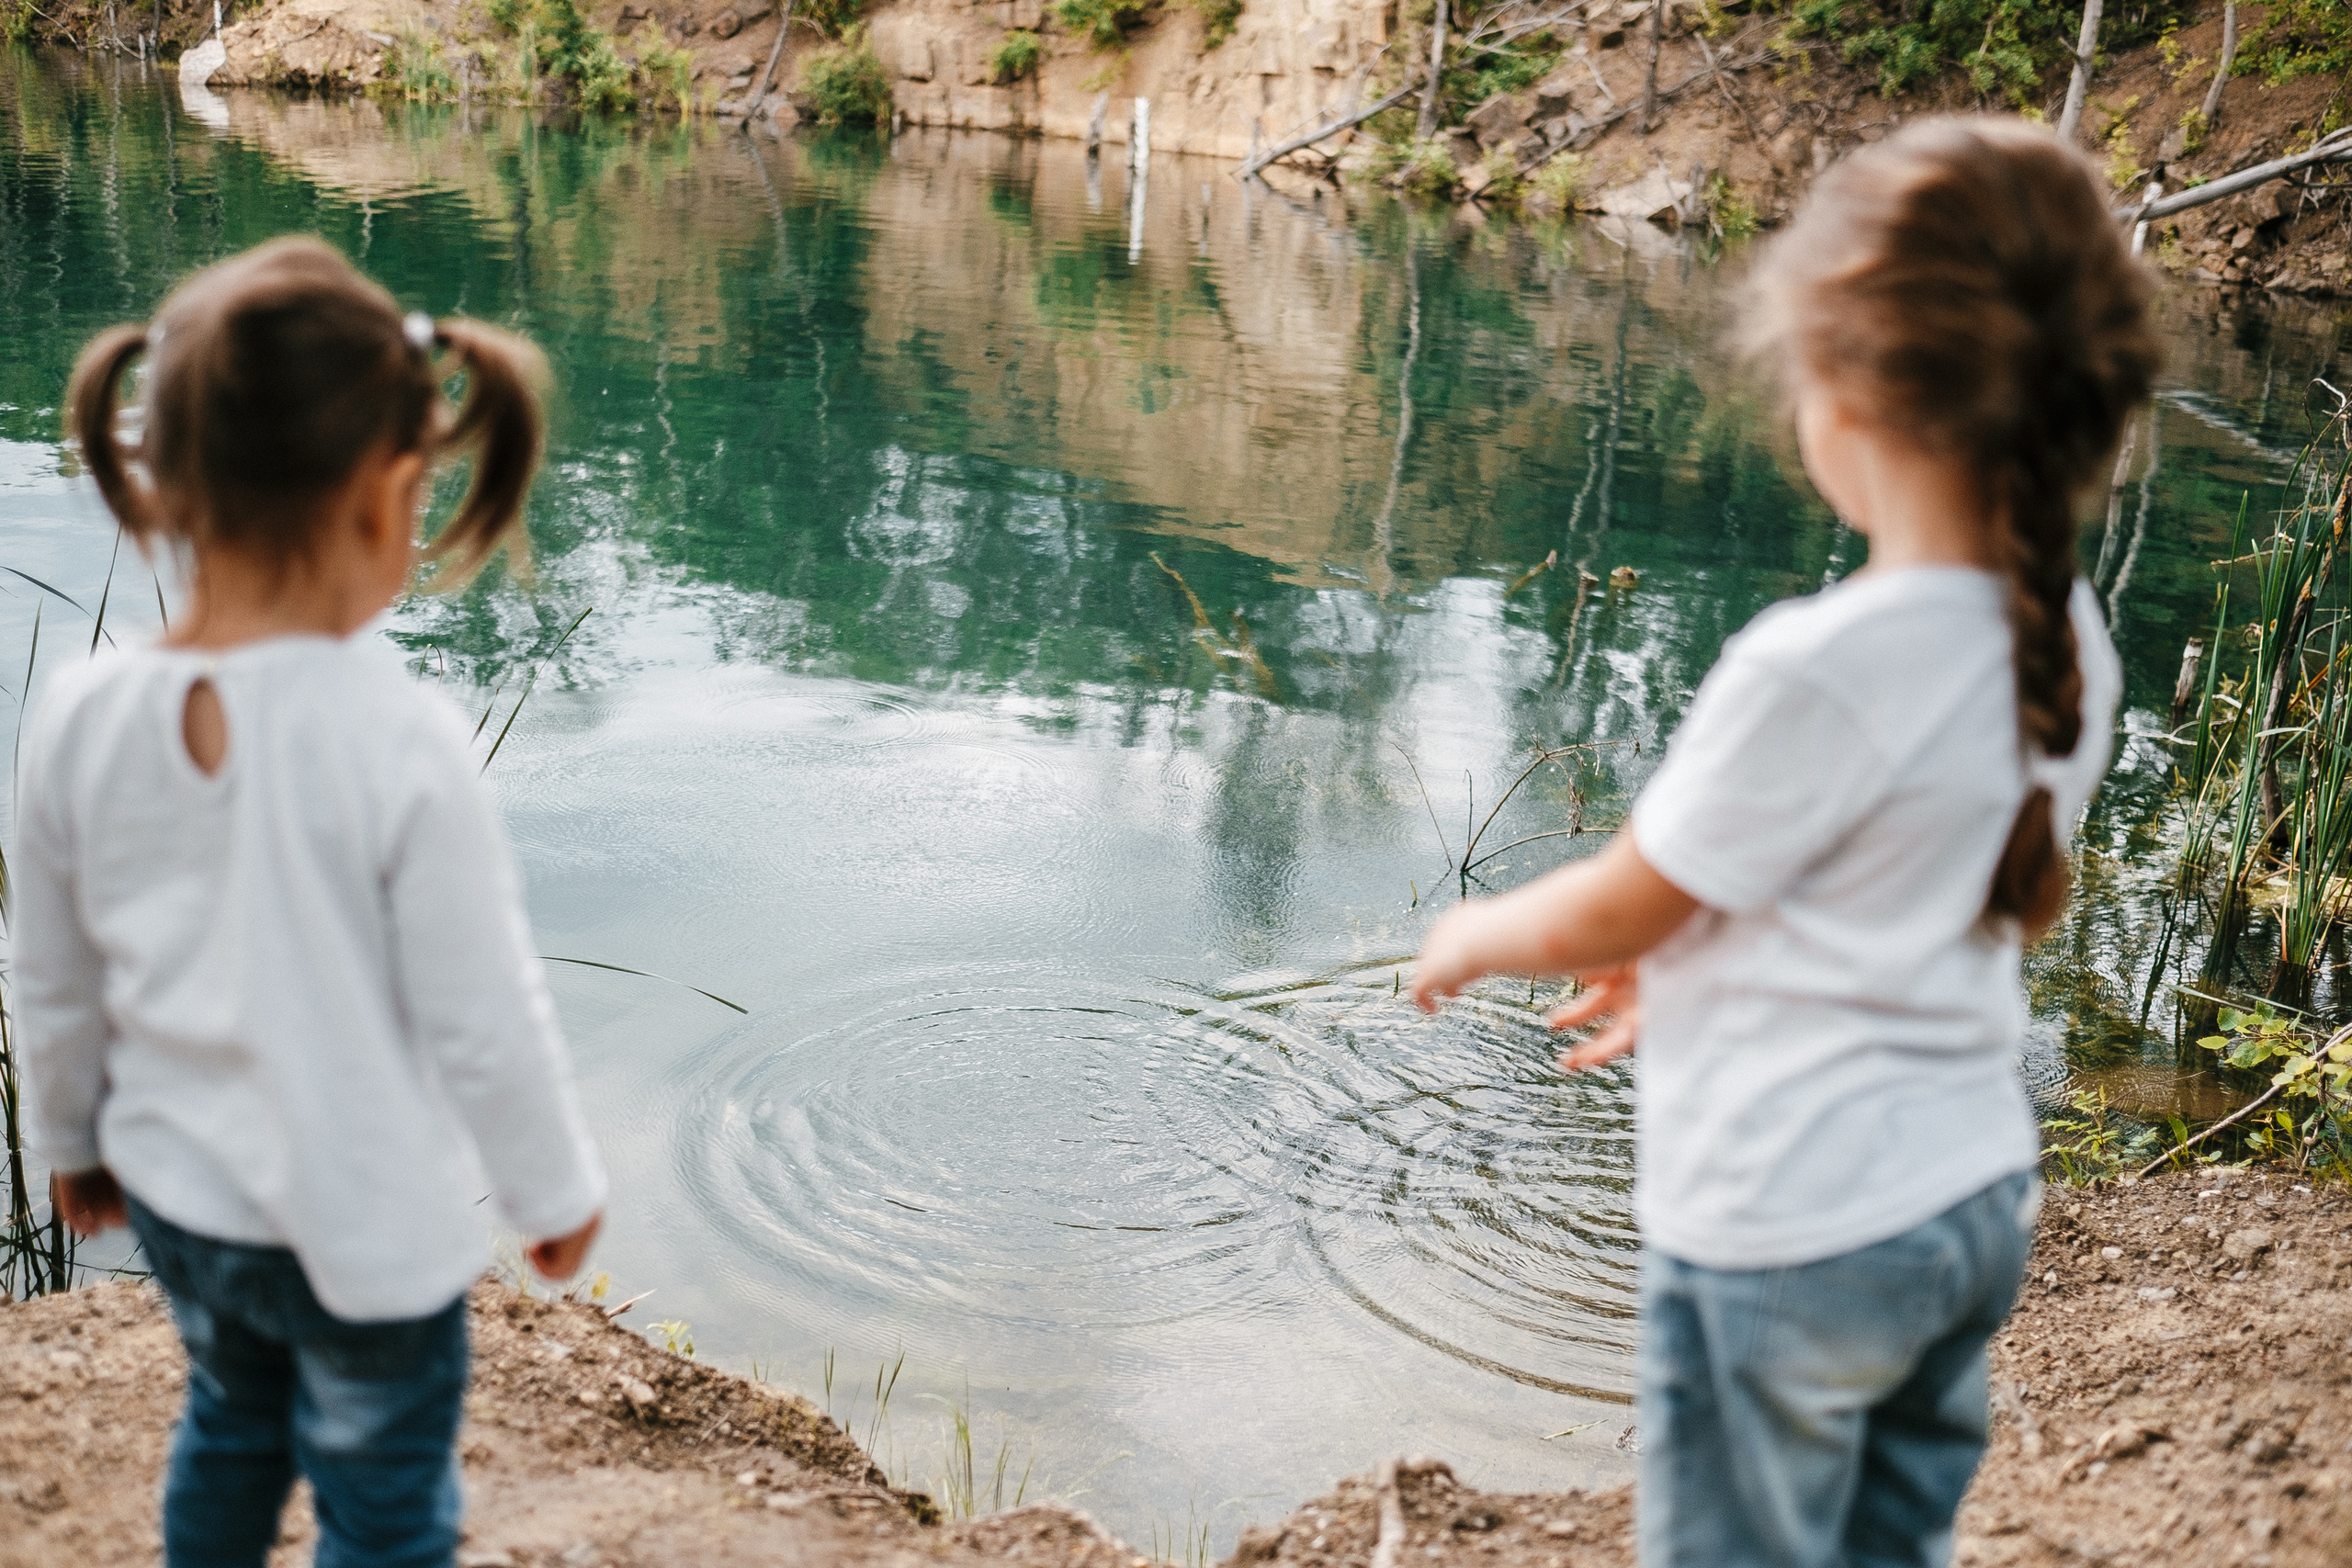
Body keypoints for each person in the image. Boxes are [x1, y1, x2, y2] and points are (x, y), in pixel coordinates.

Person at [1410, 118, 2158, 1568]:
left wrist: (1477, 934)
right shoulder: (2069, 639)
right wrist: (1686, 955)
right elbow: (1878, 888)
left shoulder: (1812, 665)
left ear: (1848, 394)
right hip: (1964, 1210)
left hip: (1790, 1234)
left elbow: (1614, 904)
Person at [22, 236, 607, 1568]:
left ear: (165, 482)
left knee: (230, 1425)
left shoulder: (80, 717)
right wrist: (550, 1186)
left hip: (183, 1201)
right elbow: (484, 1014)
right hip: (364, 1227)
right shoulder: (400, 739)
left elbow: (48, 977)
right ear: (382, 494)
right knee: (385, 1497)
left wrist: (73, 1140)